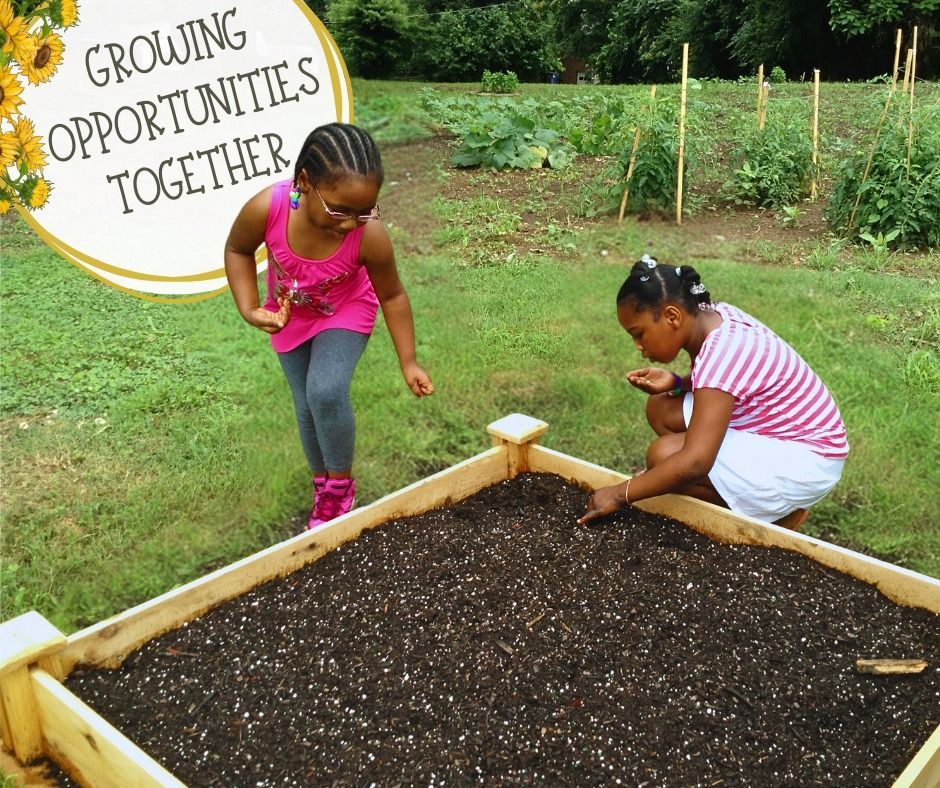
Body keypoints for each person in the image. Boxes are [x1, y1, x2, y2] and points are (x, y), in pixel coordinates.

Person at [224, 122, 434, 530]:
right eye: (340, 210)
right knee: (305, 402)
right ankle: (322, 484)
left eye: (366, 210)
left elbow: (392, 296)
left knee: (326, 389)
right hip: (290, 314)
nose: (351, 223)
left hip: (346, 309)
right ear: (305, 182)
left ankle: (340, 487)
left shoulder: (368, 236)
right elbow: (237, 249)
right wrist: (249, 307)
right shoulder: (267, 209)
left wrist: (408, 362)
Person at [579, 254, 848, 530]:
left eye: (639, 334)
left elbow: (696, 461)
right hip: (775, 430)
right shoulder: (713, 316)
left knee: (664, 456)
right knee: (661, 406)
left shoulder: (723, 351)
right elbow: (729, 382)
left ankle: (778, 514)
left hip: (809, 459)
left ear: (672, 316)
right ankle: (738, 490)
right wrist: (677, 382)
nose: (637, 345)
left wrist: (620, 493)